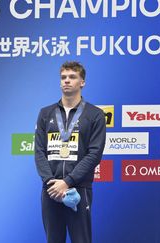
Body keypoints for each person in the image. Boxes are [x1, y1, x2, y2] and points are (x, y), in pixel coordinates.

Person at [34, 61, 106, 243]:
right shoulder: (45, 113)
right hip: (51, 190)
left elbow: (94, 154)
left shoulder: (95, 114)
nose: (67, 81)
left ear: (82, 82)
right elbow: (39, 151)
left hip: (78, 188)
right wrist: (51, 182)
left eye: (72, 77)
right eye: (63, 77)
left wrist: (67, 182)